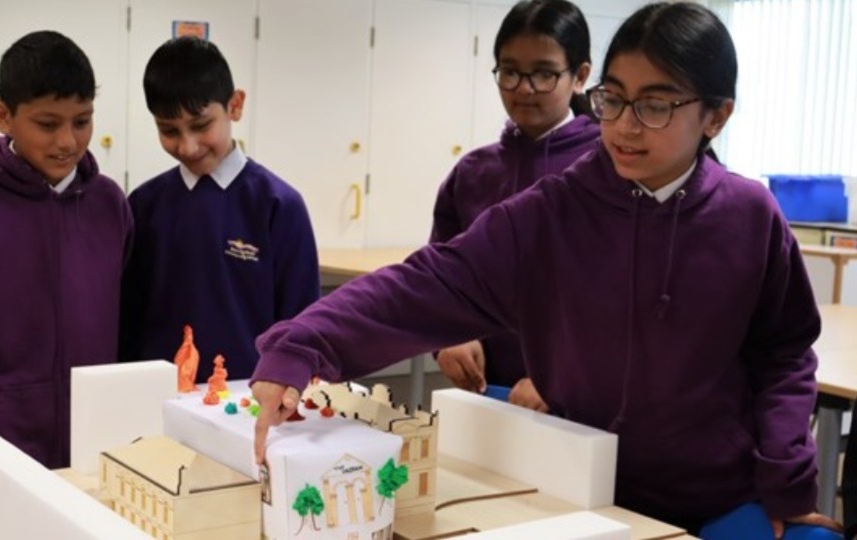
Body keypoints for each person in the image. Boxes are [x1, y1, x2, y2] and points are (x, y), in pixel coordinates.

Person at [251, 3, 844, 538]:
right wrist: (304, 344)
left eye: (656, 105)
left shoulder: (748, 215)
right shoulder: (553, 210)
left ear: (716, 116)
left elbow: (784, 352)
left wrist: (787, 481)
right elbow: (430, 282)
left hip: (716, 496)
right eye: (614, 99)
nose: (626, 125)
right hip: (582, 491)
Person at [0, 31, 133, 469]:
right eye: (48, 124)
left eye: (82, 120)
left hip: (95, 442)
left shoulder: (111, 205)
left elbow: (125, 323)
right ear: (3, 116)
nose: (68, 141)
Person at [119, 37, 319, 384]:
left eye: (200, 125)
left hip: (247, 401)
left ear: (235, 106)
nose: (188, 145)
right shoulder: (143, 205)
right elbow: (128, 317)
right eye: (168, 131)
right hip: (157, 397)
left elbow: (302, 326)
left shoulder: (279, 206)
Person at [430, 0, 599, 410]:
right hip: (490, 395)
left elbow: (626, 305)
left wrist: (563, 378)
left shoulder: (610, 168)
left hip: (588, 403)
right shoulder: (473, 171)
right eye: (509, 71)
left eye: (543, 73)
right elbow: (439, 279)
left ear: (579, 76)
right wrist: (448, 336)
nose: (524, 88)